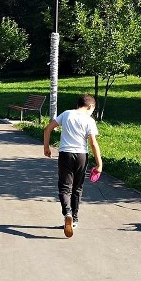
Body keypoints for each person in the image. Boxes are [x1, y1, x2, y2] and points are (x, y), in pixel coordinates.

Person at [43, 94, 103, 238]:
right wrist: (99, 164)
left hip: (65, 154)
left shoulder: (66, 114)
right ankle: (74, 219)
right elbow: (93, 143)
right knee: (77, 188)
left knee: (64, 187)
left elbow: (48, 129)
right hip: (81, 156)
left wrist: (47, 147)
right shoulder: (89, 120)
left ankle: (67, 213)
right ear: (90, 107)